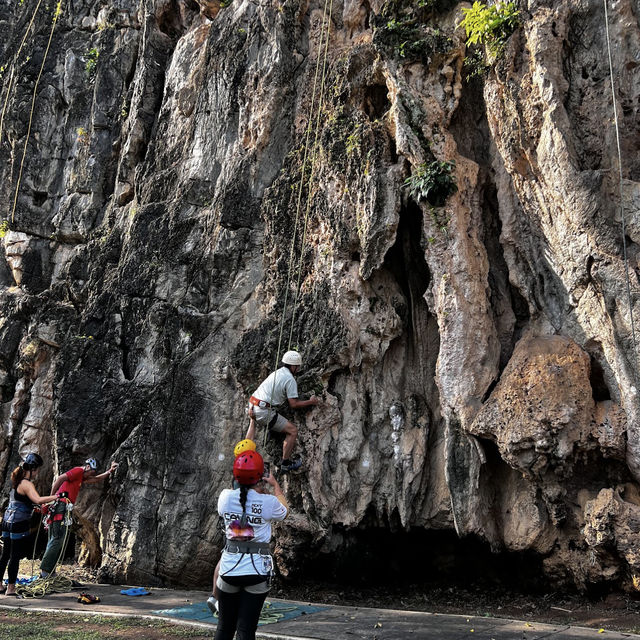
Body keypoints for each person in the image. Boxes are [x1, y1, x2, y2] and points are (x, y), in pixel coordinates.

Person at [213, 450, 287, 640]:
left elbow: (237, 502)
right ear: (260, 476)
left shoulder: (225, 497)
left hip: (229, 569)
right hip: (257, 571)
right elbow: (284, 510)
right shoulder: (268, 502)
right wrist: (275, 485)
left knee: (224, 628)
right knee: (246, 630)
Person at [39, 457, 117, 577]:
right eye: (92, 471)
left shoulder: (81, 476)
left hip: (64, 506)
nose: (92, 475)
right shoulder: (78, 471)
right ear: (87, 467)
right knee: (57, 538)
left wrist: (109, 472)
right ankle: (45, 571)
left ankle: (50, 571)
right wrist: (52, 497)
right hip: (61, 504)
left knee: (58, 538)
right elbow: (60, 478)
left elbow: (95, 479)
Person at [247, 350, 318, 471]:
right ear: (293, 366)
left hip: (253, 404)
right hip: (263, 411)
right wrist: (311, 402)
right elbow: (294, 404)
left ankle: (245, 456)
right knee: (293, 431)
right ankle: (286, 464)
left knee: (254, 422)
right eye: (298, 366)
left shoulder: (277, 372)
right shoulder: (290, 379)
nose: (299, 368)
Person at [0, 453, 57, 595]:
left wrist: (34, 508)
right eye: (37, 470)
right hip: (17, 523)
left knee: (5, 554)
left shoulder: (16, 480)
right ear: (32, 469)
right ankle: (11, 587)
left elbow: (22, 501)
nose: (37, 473)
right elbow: (37, 499)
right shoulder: (27, 483)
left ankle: (0, 584)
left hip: (7, 521)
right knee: (14, 555)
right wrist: (57, 496)